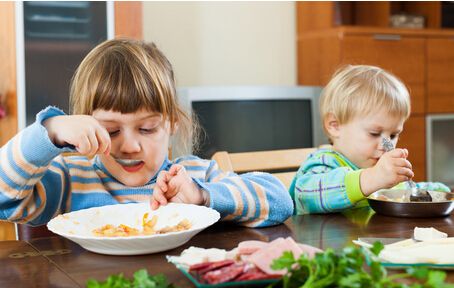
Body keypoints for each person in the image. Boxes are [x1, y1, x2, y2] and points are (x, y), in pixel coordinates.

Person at [0, 38, 293, 227]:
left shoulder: (192, 176)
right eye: (111, 131)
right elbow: (5, 201)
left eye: (147, 128)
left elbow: (281, 202)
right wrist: (48, 132)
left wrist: (203, 196)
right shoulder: (70, 179)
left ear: (172, 123)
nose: (130, 146)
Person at [289, 65, 450, 214]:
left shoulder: (384, 172)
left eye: (393, 135)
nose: (386, 145)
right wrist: (372, 178)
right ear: (335, 125)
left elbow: (405, 191)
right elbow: (306, 195)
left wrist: (439, 192)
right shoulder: (324, 162)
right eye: (374, 133)